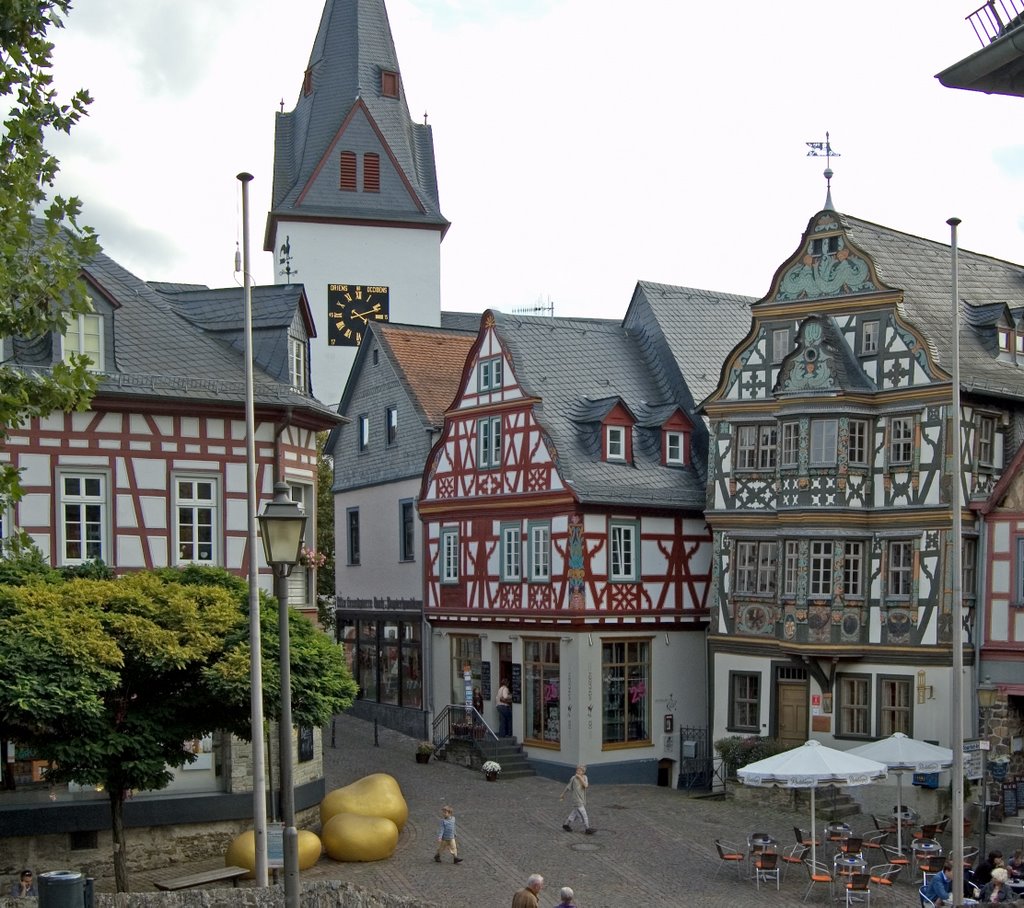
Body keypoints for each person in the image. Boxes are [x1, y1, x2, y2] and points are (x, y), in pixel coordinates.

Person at [560, 764, 595, 834]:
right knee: (583, 814)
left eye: (580, 770)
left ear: (583, 772)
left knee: (574, 814)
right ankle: (587, 828)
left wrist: (580, 777)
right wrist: (563, 794)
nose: (577, 771)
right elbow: (568, 787)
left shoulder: (585, 777)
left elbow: (585, 785)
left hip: (582, 799)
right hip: (576, 800)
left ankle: (566, 825)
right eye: (577, 770)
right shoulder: (573, 778)